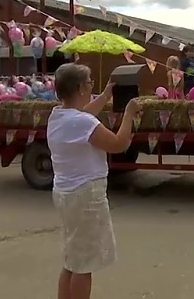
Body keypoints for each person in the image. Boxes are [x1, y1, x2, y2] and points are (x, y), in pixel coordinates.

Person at [47, 63, 142, 299]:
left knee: (72, 259)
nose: (92, 87)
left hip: (66, 194)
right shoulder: (82, 123)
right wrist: (129, 114)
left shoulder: (59, 116)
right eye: (89, 83)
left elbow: (84, 115)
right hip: (85, 195)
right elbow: (119, 144)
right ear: (80, 88)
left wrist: (106, 95)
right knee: (84, 264)